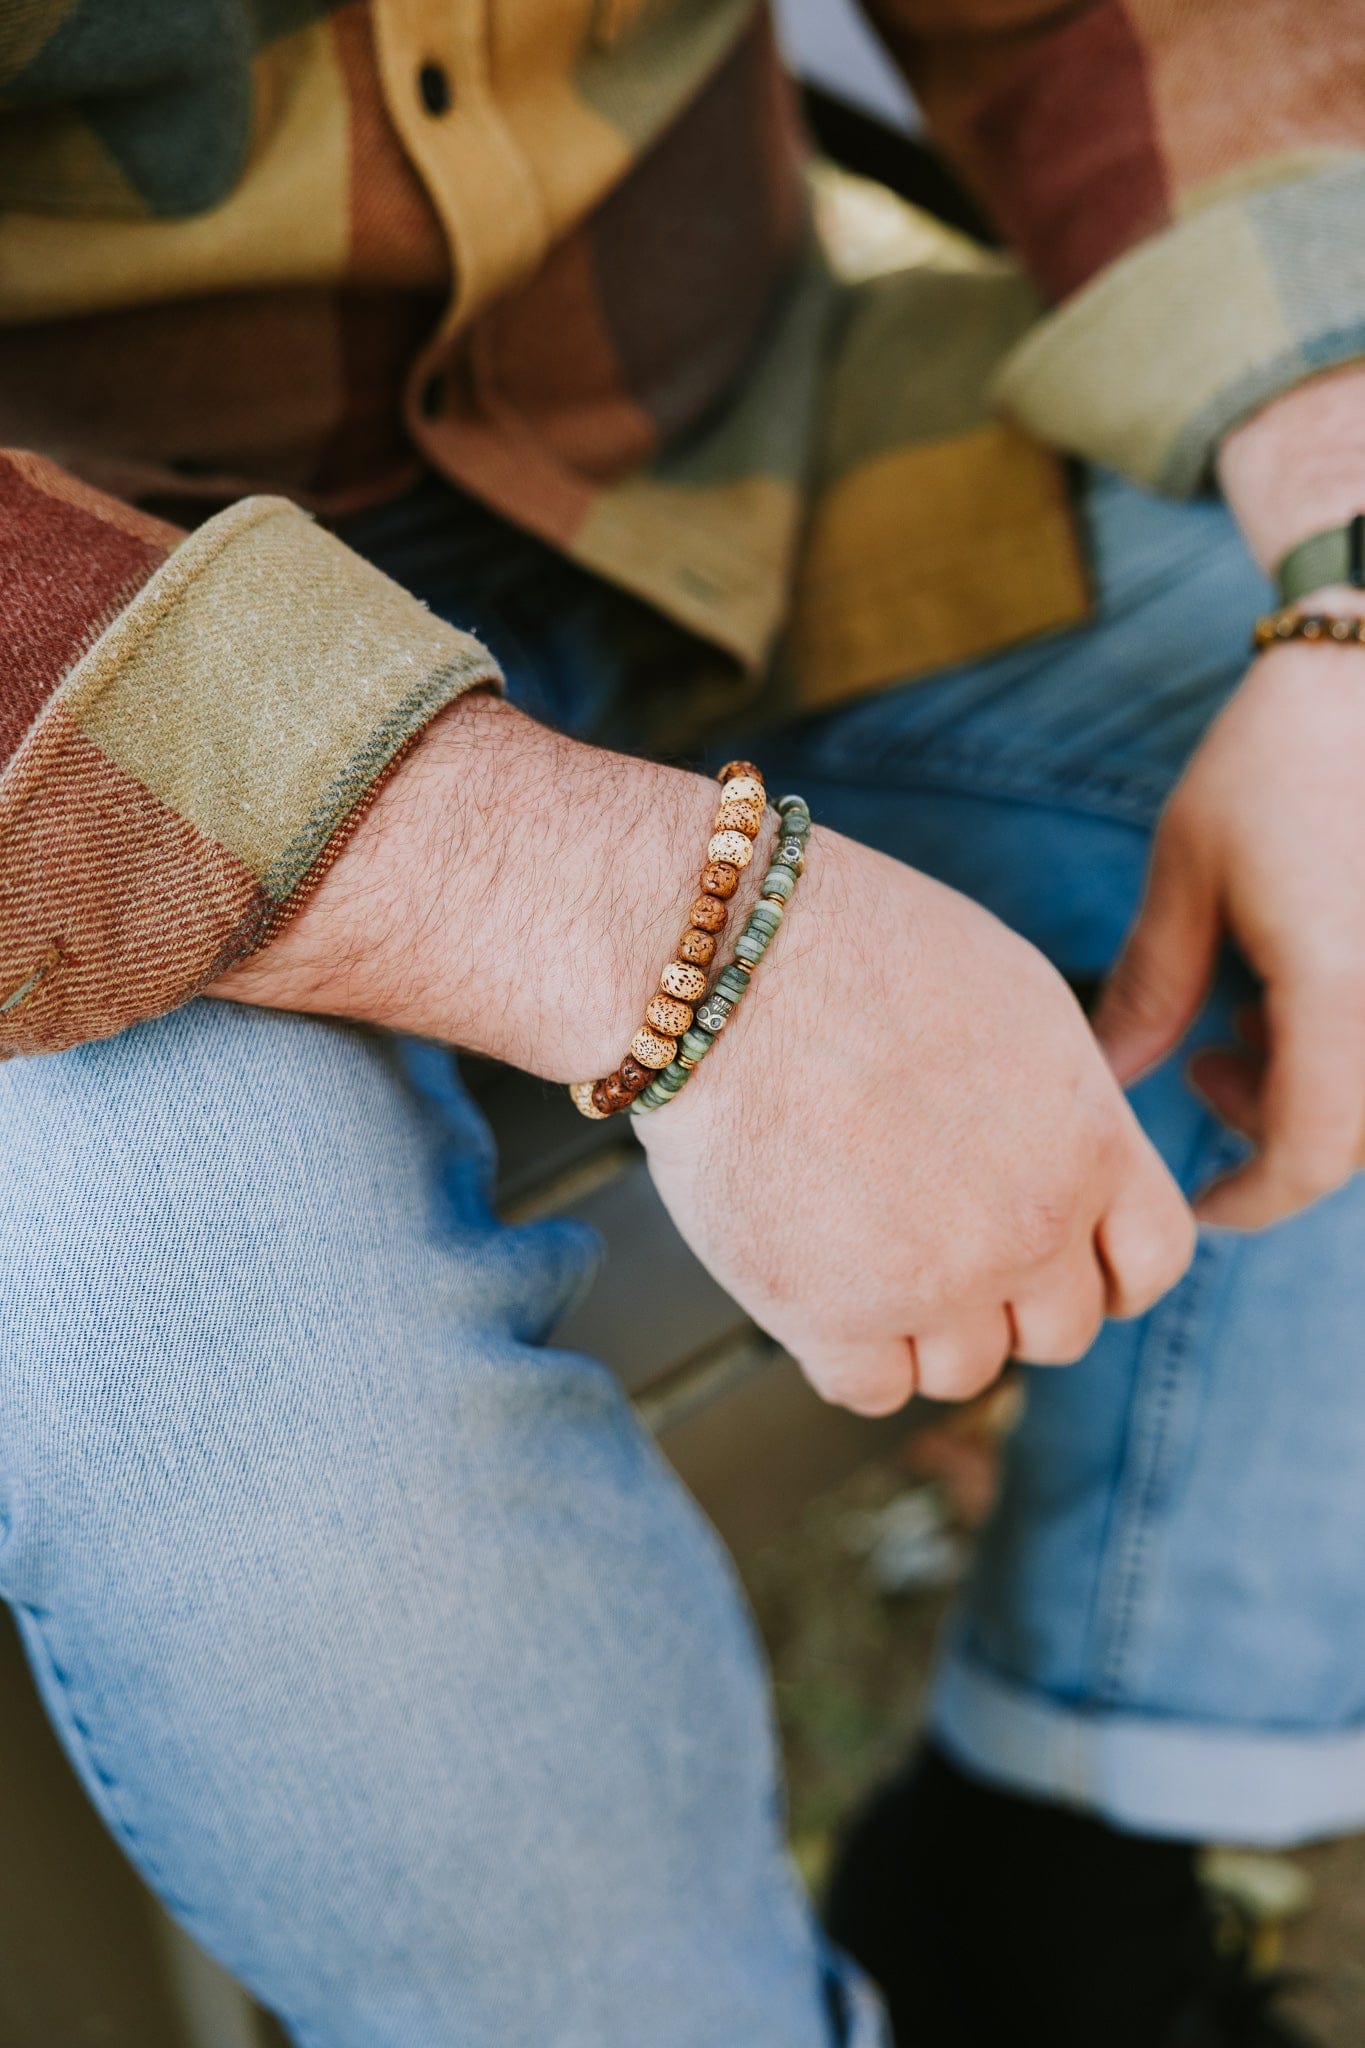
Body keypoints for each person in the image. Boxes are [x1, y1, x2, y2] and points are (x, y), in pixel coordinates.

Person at [1, 2, 1362, 2043]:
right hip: (78, 665)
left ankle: (1055, 1893)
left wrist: (1342, 573)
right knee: (228, 1379)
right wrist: (658, 932)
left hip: (712, 449)